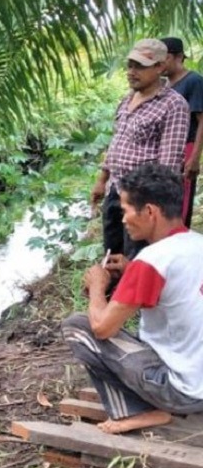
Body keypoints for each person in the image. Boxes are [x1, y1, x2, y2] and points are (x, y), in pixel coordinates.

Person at [63, 164, 203, 435]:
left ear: (149, 211)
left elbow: (103, 327)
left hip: (182, 391)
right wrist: (130, 271)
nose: (123, 219)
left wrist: (96, 286)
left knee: (78, 327)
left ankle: (137, 410)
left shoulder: (151, 261)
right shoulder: (196, 243)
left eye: (126, 210)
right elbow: (179, 289)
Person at [90, 39, 189, 260]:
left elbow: (168, 164)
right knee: (111, 250)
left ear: (160, 67)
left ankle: (134, 293)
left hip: (142, 198)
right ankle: (112, 292)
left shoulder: (173, 105)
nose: (132, 72)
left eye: (140, 66)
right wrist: (102, 179)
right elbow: (117, 142)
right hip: (116, 188)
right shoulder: (127, 100)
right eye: (130, 65)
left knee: (137, 256)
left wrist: (153, 206)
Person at [162, 37, 203, 227]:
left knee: (182, 202)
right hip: (167, 150)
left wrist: (194, 158)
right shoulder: (165, 86)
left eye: (164, 58)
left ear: (178, 57)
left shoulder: (193, 81)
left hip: (186, 147)